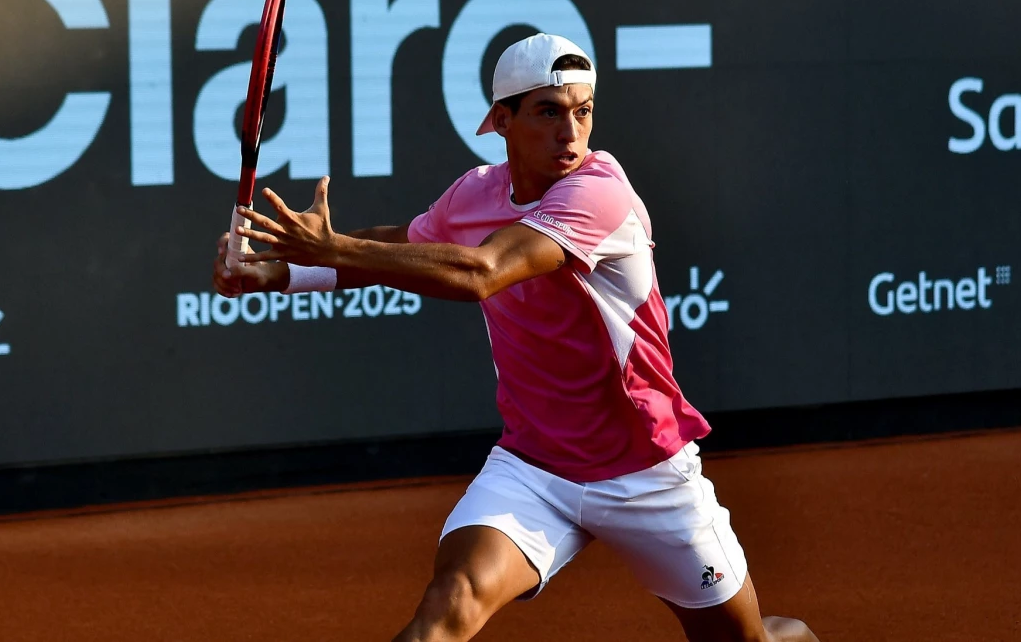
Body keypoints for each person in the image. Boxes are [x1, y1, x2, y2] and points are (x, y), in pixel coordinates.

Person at [212, 33, 819, 642]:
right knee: (445, 609)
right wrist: (274, 273)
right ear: (502, 120)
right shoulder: (475, 193)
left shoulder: (599, 192)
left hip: (646, 471)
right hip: (535, 469)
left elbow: (482, 272)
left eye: (582, 111)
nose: (570, 132)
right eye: (549, 111)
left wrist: (335, 245)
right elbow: (408, 246)